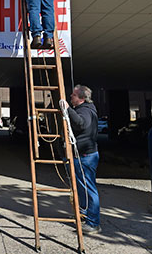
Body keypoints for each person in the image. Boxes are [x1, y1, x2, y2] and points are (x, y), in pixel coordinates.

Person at [59, 85, 101, 234]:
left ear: (82, 98)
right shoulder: (85, 109)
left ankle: (93, 222)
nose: (71, 97)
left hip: (85, 157)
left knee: (89, 188)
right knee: (81, 188)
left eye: (74, 96)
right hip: (81, 156)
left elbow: (81, 123)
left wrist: (67, 109)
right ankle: (84, 214)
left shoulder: (86, 111)